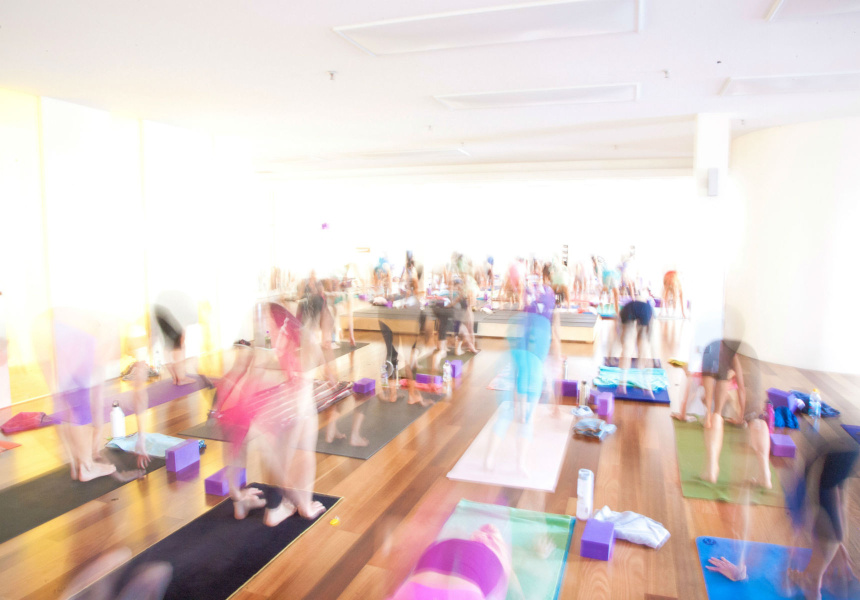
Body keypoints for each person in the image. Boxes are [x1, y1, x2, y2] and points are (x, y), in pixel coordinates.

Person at [616, 298, 655, 397]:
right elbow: (648, 338)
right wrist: (640, 360)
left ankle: (621, 385)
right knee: (644, 350)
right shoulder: (649, 311)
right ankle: (647, 387)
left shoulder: (626, 309)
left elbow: (620, 335)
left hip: (628, 312)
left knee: (627, 350)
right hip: (640, 312)